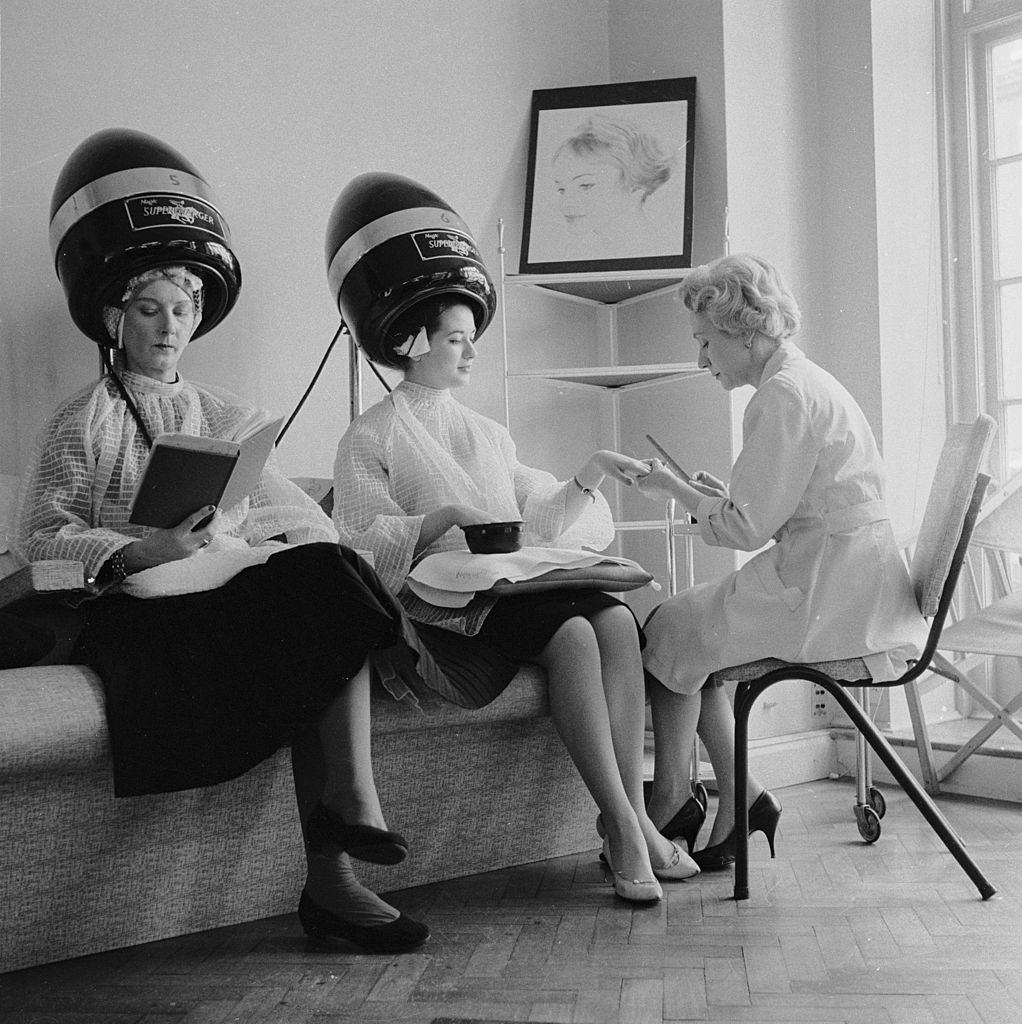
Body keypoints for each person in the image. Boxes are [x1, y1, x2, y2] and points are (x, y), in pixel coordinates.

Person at [16, 265, 430, 952]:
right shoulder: (79, 417)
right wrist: (148, 548)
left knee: (327, 577)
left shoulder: (223, 413)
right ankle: (339, 844)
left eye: (181, 310)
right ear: (115, 320)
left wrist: (240, 537)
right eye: (149, 310)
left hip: (219, 585)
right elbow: (39, 536)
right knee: (321, 606)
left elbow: (286, 511)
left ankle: (342, 839)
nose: (168, 325)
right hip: (134, 603)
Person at [332, 294, 700, 904]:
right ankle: (629, 834)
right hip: (439, 603)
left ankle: (627, 820)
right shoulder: (370, 434)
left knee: (613, 618)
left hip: (510, 586)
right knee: (577, 634)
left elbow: (546, 519)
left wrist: (592, 470)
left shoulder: (489, 433)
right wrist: (443, 515)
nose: (472, 351)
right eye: (456, 339)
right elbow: (358, 542)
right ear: (413, 343)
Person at [634, 254, 929, 870]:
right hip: (847, 577)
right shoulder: (803, 380)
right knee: (687, 632)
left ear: (743, 329)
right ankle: (738, 795)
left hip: (832, 591)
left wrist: (677, 492)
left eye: (705, 340)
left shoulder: (782, 395)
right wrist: (719, 495)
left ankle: (671, 800)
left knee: (665, 626)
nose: (701, 359)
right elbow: (782, 504)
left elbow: (745, 527)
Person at [550, 113, 675, 259]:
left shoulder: (659, 250)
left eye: (585, 185)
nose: (565, 203)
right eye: (561, 189)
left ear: (635, 185)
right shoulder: (578, 253)